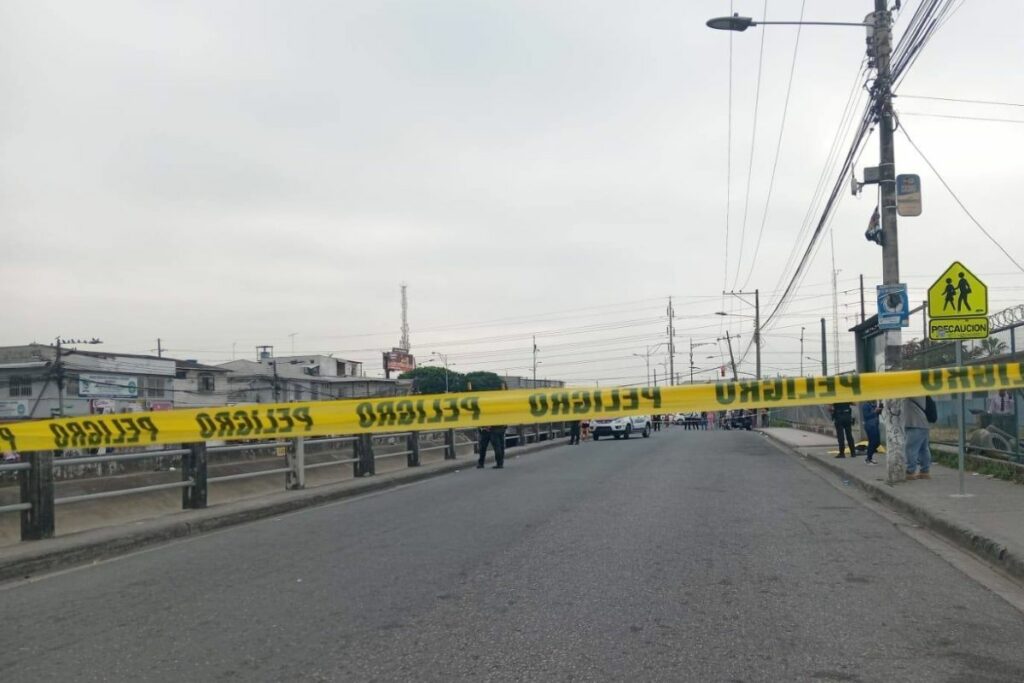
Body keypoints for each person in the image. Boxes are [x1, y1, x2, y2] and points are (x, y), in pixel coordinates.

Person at [903, 397, 932, 479]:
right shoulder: (922, 394)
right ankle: (925, 471)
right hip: (922, 424)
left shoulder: (913, 393)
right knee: (923, 449)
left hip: (915, 424)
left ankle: (910, 471)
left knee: (910, 448)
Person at [860, 400, 882, 464]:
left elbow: (877, 414)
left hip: (875, 425)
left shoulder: (874, 405)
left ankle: (869, 457)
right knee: (874, 442)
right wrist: (875, 411)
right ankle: (868, 458)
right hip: (870, 426)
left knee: (877, 442)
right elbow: (866, 416)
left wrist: (879, 410)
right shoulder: (865, 405)